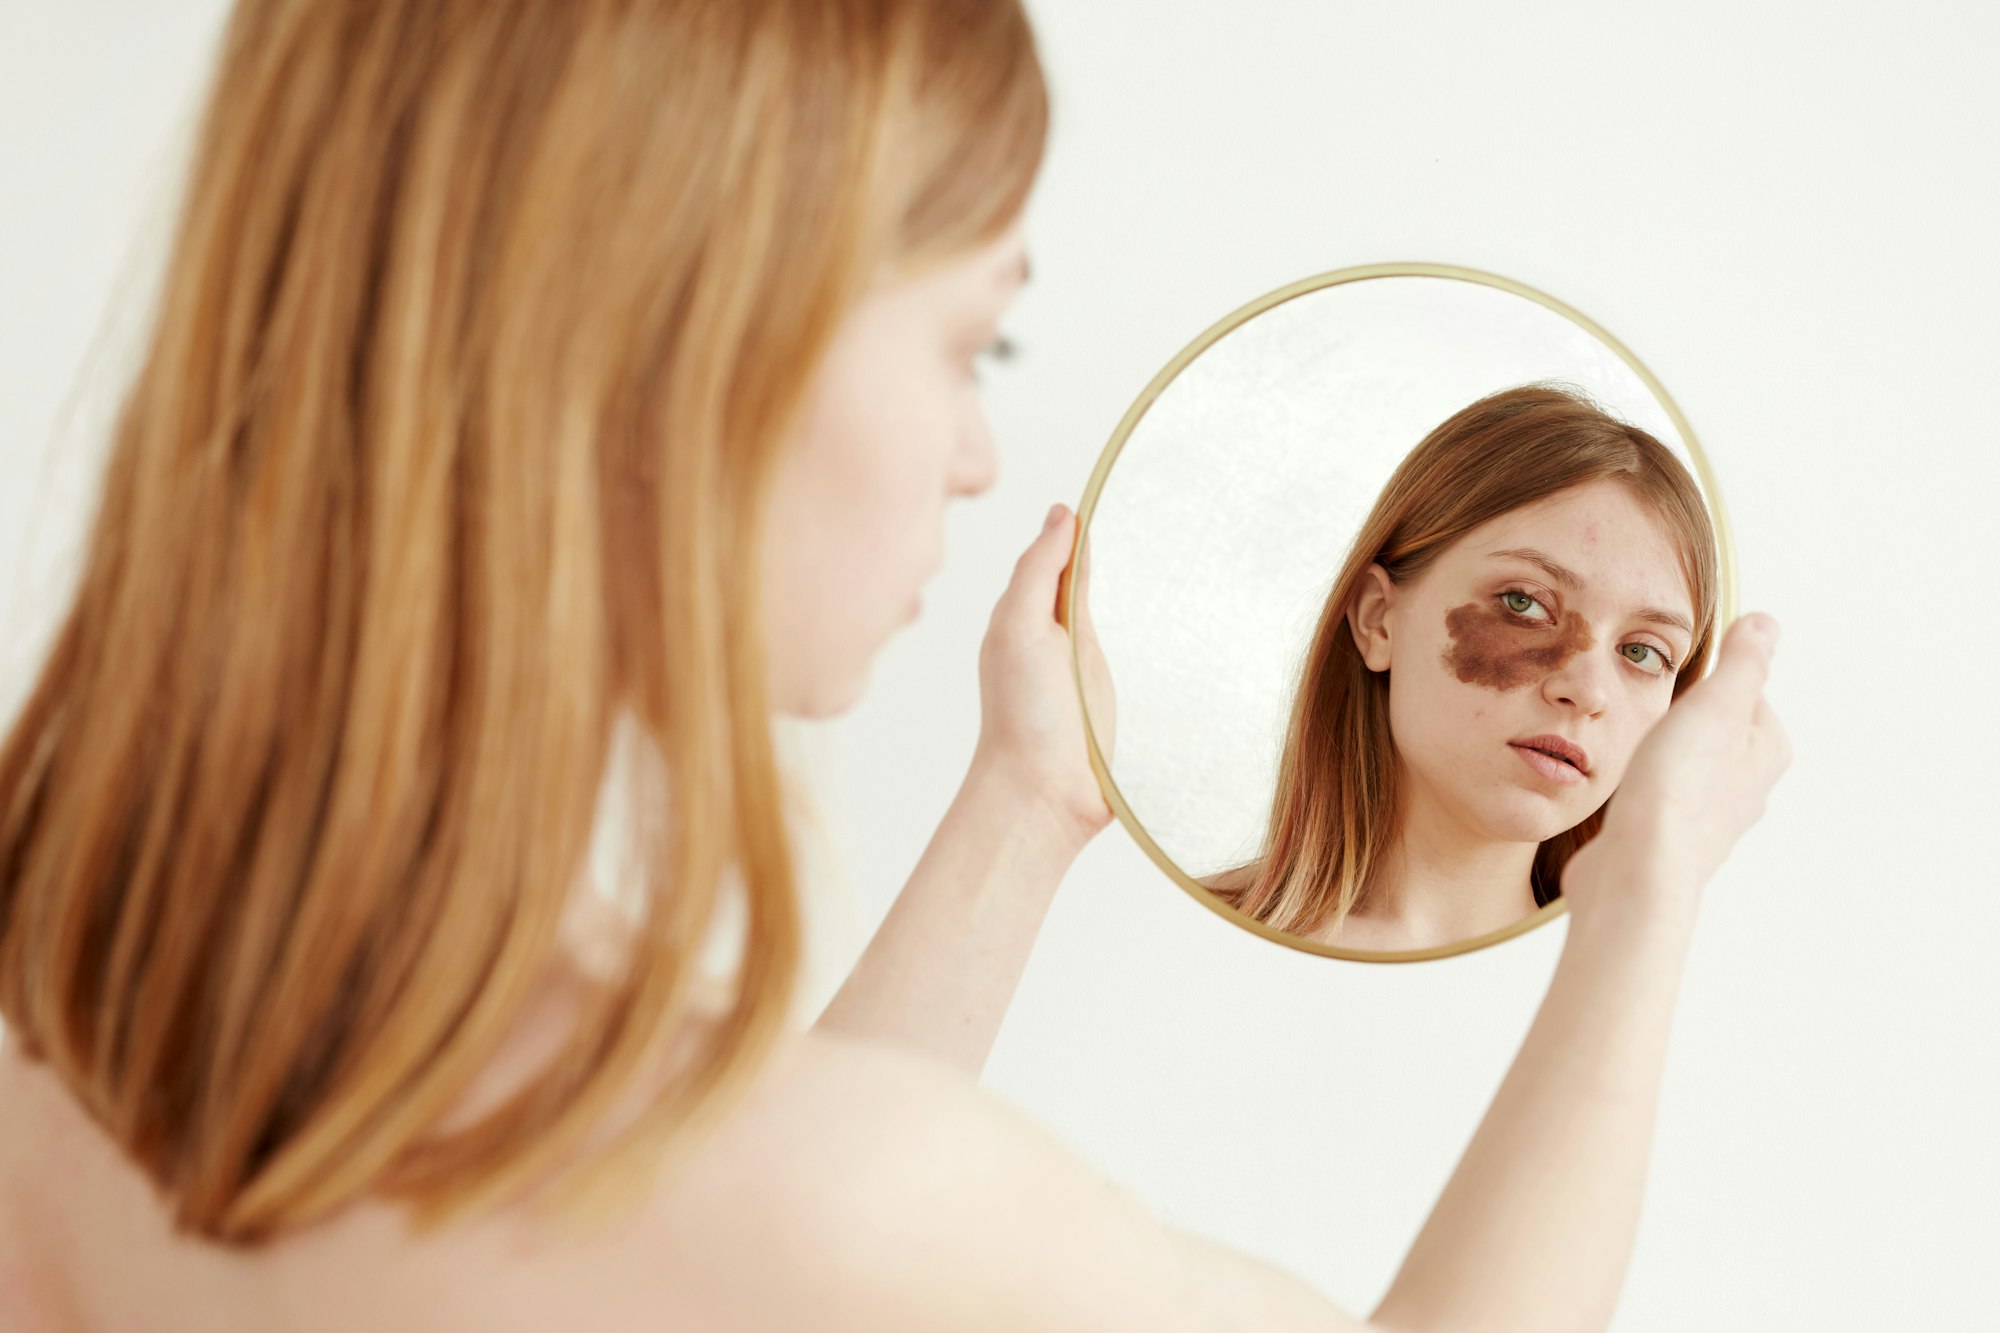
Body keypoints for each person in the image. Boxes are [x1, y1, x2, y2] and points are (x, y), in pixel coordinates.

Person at [0, 2, 1790, 1329]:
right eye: (975, 336)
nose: (973, 454)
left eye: (1647, 650)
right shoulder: (836, 1194)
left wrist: (1024, 795)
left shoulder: (76, 993)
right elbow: (804, 1219)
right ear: (687, 351)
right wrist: (1648, 906)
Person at [1203, 384, 1720, 954]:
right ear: (1378, 619)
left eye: (1643, 652)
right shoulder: (1168, 934)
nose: (1589, 690)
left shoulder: (1632, 983)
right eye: (1524, 602)